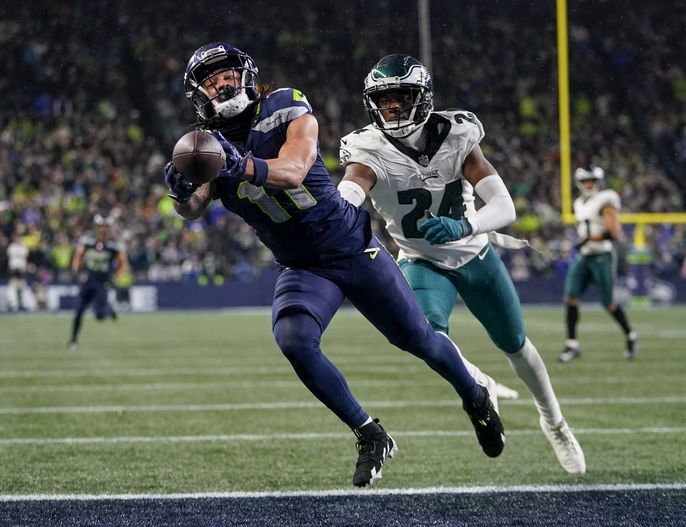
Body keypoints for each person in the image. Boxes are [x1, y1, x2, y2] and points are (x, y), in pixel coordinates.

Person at [164, 42, 505, 487]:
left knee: (418, 338)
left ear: (247, 73)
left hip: (349, 245)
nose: (222, 82)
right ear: (198, 93)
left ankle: (475, 397)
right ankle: (370, 433)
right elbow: (193, 207)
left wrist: (242, 163)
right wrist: (181, 192)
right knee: (294, 339)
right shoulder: (208, 144)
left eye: (227, 73)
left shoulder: (285, 103)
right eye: (211, 79)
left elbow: (294, 169)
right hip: (301, 265)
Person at [338, 54, 585, 474]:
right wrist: (337, 209)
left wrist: (464, 224)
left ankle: (554, 421)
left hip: (475, 254)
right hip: (419, 260)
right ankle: (477, 385)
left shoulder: (456, 134)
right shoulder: (367, 149)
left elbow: (504, 207)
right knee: (427, 337)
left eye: (401, 98)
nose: (392, 107)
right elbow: (351, 191)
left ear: (422, 97)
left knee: (517, 345)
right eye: (384, 100)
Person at [559, 166, 639, 362]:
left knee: (608, 303)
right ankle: (572, 344)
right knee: (570, 297)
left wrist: (589, 239)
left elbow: (614, 232)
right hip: (584, 256)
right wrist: (581, 241)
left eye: (592, 180)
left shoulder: (606, 200)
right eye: (585, 181)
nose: (589, 184)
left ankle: (630, 334)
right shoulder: (578, 203)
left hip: (602, 256)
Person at [68, 214, 128, 351]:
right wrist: (75, 270)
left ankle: (109, 309)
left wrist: (117, 276)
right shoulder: (88, 240)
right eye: (101, 226)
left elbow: (123, 262)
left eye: (106, 226)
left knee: (100, 316)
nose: (103, 229)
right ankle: (73, 340)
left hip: (103, 283)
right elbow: (78, 255)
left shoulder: (114, 243)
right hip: (89, 280)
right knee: (78, 311)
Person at [6, 231, 30, 312]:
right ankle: (13, 305)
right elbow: (12, 258)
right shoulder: (11, 247)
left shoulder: (23, 247)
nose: (19, 239)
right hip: (14, 269)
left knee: (22, 287)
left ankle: (23, 304)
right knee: (12, 287)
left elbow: (24, 259)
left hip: (21, 270)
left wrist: (25, 267)